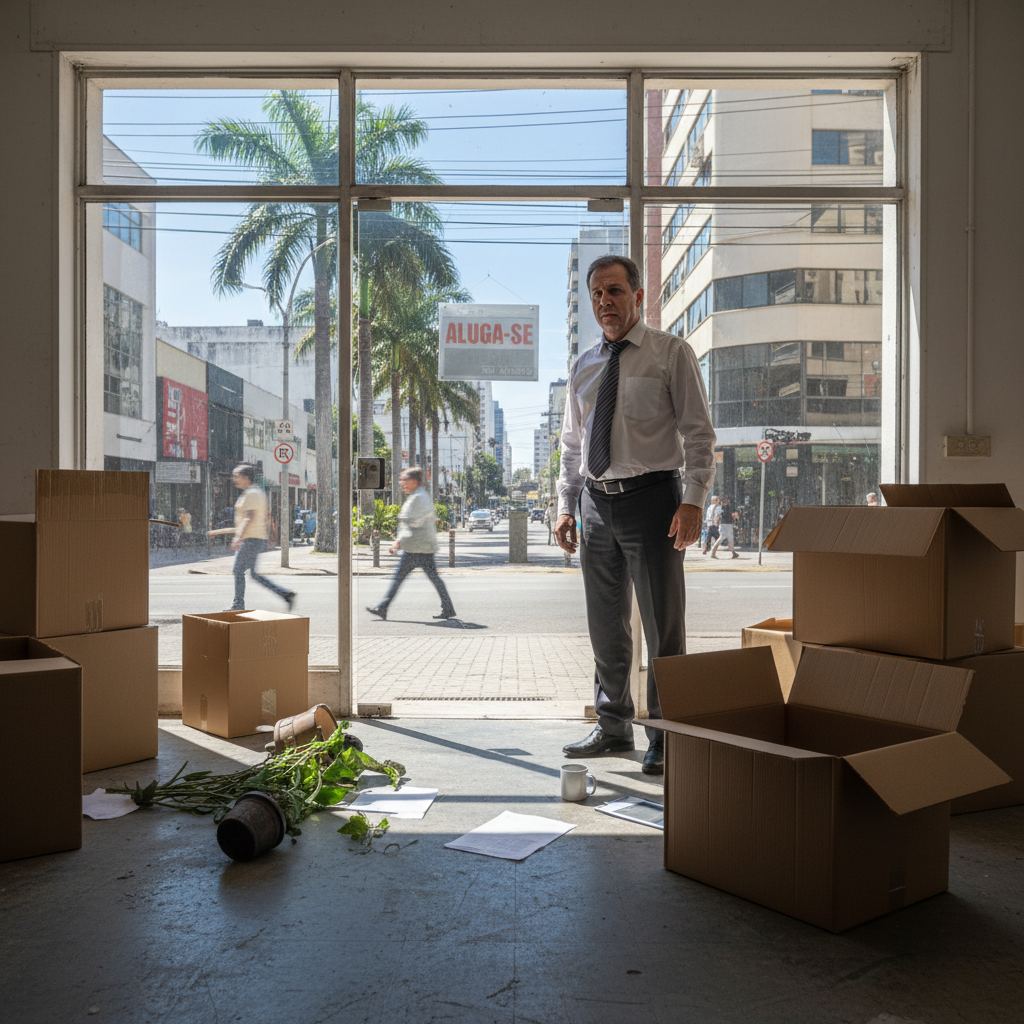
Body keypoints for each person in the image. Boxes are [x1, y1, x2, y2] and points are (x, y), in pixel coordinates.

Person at [555, 254, 716, 775]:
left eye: (616, 291)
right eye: (597, 293)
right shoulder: (583, 366)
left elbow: (698, 435)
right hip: (595, 503)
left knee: (662, 625)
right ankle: (612, 725)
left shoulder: (671, 354)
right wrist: (564, 506)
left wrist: (692, 500)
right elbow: (572, 447)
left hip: (654, 500)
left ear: (638, 296)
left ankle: (664, 737)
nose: (605, 301)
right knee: (606, 625)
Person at [368, 466, 457, 622]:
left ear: (414, 481)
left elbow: (412, 523)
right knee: (432, 579)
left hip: (417, 547)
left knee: (400, 578)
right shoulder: (418, 495)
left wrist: (398, 543)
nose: (402, 483)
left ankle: (383, 607)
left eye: (405, 480)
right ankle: (448, 608)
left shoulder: (418, 498)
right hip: (420, 546)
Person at [227, 464, 296, 612]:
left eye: (236, 476)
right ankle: (285, 594)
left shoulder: (252, 493)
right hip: (255, 538)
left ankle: (238, 604)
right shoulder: (256, 491)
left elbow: (249, 517)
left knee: (238, 570)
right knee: (253, 574)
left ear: (246, 478)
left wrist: (238, 537)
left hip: (250, 539)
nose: (234, 479)